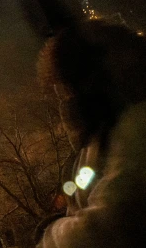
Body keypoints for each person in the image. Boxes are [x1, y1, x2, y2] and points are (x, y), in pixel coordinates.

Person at [36, 20, 146, 248]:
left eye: (68, 87)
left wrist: (51, 233)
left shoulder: (137, 127)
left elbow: (109, 228)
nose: (67, 99)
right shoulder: (100, 140)